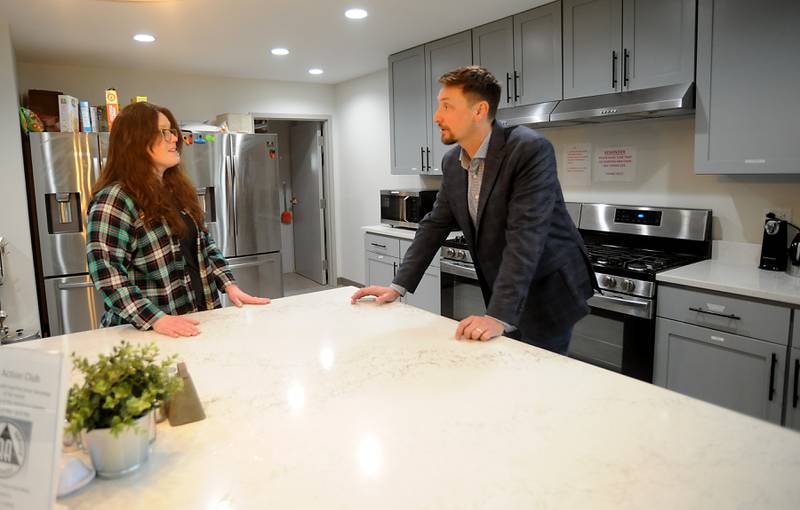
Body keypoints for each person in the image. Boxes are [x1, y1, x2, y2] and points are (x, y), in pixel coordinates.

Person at [351, 66, 597, 354]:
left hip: (546, 290)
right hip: (504, 288)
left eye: (446, 106)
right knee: (507, 366)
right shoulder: (453, 161)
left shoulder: (528, 149)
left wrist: (497, 315)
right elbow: (435, 224)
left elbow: (526, 235)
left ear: (479, 110)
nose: (436, 116)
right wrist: (397, 286)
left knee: (540, 379)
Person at [86, 102, 269, 338]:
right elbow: (106, 271)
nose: (174, 138)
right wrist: (155, 319)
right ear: (136, 141)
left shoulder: (175, 190)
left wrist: (229, 285)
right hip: (147, 332)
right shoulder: (116, 198)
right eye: (164, 132)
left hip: (195, 319)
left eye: (173, 131)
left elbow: (204, 245)